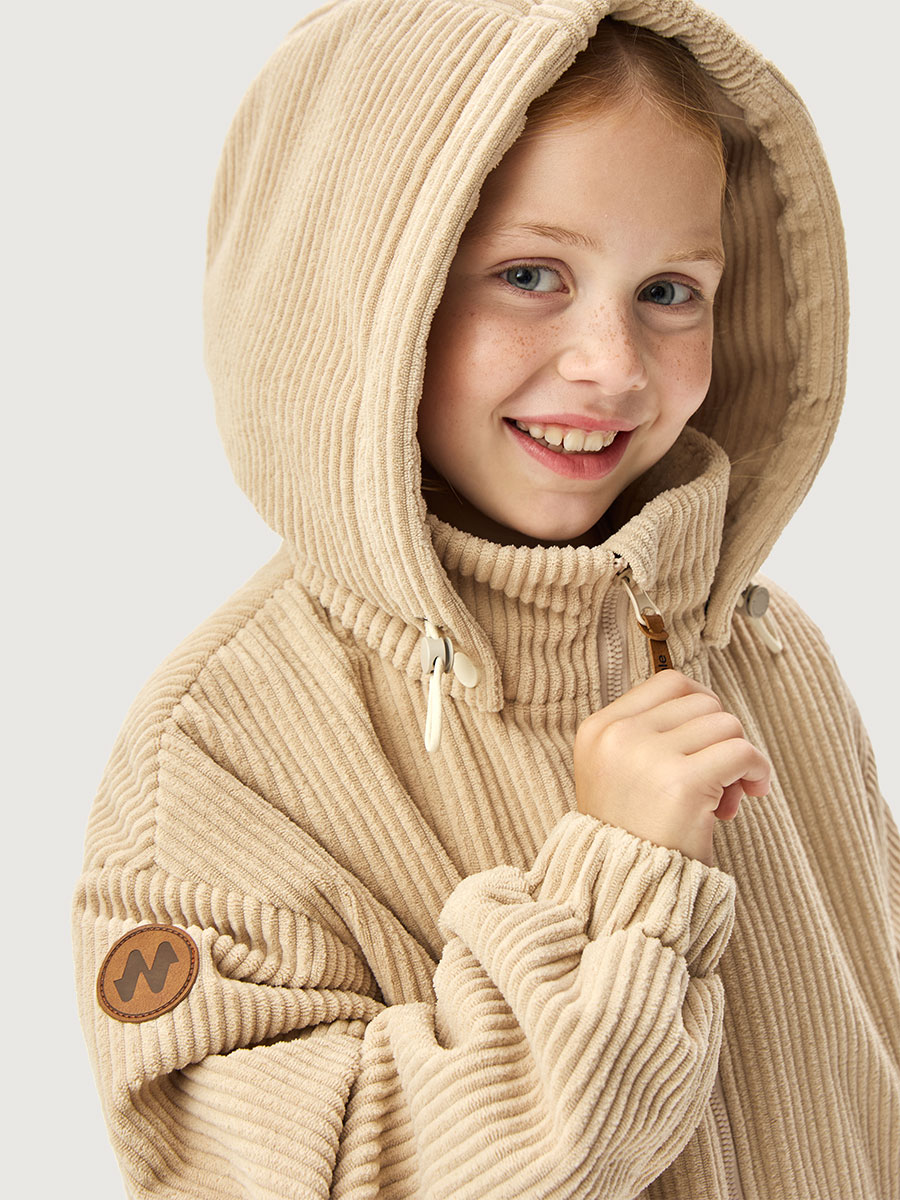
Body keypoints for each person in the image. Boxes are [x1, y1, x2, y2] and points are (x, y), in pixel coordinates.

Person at [73, 2, 900, 1197]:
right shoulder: (216, 756)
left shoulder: (763, 648)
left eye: (671, 290)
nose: (611, 363)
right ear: (360, 298)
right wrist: (619, 883)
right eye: (528, 275)